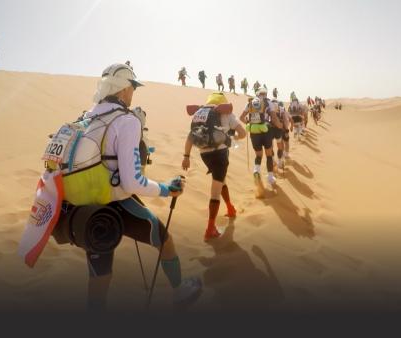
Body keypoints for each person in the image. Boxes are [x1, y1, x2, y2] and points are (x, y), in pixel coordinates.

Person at [48, 63, 202, 310]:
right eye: (132, 88)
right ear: (122, 90)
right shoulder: (127, 121)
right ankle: (180, 291)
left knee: (100, 273)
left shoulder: (86, 117)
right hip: (113, 200)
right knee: (164, 239)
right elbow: (132, 182)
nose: (133, 94)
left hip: (83, 207)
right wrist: (166, 189)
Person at [182, 93, 246, 240]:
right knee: (215, 190)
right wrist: (234, 137)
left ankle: (230, 208)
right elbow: (242, 133)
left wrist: (186, 157)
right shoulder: (226, 114)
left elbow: (190, 137)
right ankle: (210, 229)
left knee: (220, 179)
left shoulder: (200, 114)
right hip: (220, 155)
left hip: (205, 155)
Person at [239, 88, 282, 186]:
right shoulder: (268, 102)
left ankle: (256, 170)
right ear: (266, 94)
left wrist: (248, 123)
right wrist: (280, 125)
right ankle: (270, 178)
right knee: (268, 155)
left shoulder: (250, 103)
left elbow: (241, 117)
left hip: (254, 132)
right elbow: (274, 118)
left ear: (257, 94)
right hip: (266, 130)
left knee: (258, 155)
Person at [269, 99, 290, 170]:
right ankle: (280, 162)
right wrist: (286, 129)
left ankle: (272, 160)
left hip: (269, 129)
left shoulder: (268, 107)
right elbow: (285, 120)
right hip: (278, 129)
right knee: (280, 146)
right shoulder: (281, 109)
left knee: (270, 146)